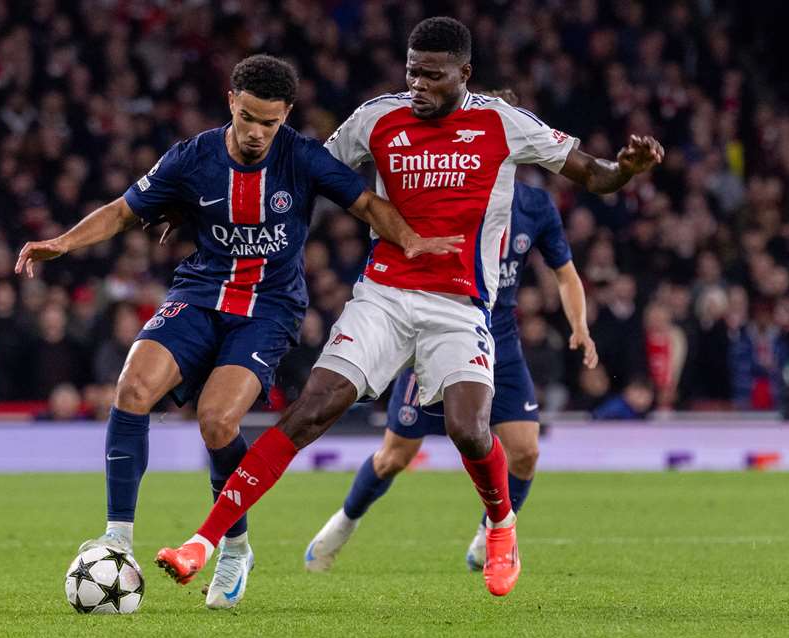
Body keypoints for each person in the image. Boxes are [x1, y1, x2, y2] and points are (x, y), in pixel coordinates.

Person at [156, 17, 662, 598]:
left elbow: (593, 174)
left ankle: (501, 525)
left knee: (469, 429)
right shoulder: (377, 117)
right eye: (412, 72)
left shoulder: (503, 123)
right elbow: (301, 173)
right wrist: (200, 203)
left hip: (460, 304)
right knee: (310, 410)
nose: (418, 84)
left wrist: (625, 170)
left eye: (432, 75)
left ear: (464, 73)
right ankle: (204, 542)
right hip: (384, 295)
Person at [14, 55, 459, 610]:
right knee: (131, 388)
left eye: (268, 122)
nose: (255, 133)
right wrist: (62, 243)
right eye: (247, 117)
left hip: (269, 309)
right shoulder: (193, 156)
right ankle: (117, 539)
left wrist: (411, 239)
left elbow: (366, 202)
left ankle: (235, 546)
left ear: (286, 115)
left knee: (218, 420)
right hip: (200, 293)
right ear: (231, 101)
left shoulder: (301, 157)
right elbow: (124, 210)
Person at [303, 144, 597, 574]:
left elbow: (565, 273)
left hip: (500, 342)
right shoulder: (448, 192)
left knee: (525, 452)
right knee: (394, 457)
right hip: (437, 336)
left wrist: (580, 326)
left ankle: (488, 536)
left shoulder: (535, 205)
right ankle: (343, 524)